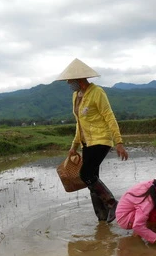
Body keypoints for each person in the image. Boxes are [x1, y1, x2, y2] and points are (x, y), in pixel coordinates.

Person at [55, 58, 128, 223]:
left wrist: (119, 142)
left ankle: (112, 203)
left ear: (79, 80)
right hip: (86, 142)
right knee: (92, 179)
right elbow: (79, 123)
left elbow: (109, 116)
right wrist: (74, 145)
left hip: (101, 139)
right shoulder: (76, 96)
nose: (68, 83)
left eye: (70, 81)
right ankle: (101, 217)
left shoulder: (97, 92)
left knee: (86, 174)